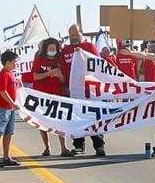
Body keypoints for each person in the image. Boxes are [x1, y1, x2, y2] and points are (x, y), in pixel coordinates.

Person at [61, 25, 105, 157]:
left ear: (81, 33)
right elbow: (63, 70)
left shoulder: (90, 47)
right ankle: (79, 146)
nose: (73, 37)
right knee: (77, 119)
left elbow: (98, 66)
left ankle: (99, 146)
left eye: (76, 34)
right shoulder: (66, 50)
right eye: (71, 34)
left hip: (89, 91)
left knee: (93, 118)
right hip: (74, 92)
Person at [32, 38, 74, 157]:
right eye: (50, 49)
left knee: (60, 121)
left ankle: (64, 148)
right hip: (42, 95)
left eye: (54, 49)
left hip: (57, 95)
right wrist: (49, 73)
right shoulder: (39, 58)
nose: (52, 51)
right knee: (43, 121)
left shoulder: (60, 60)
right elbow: (35, 76)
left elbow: (64, 80)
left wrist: (59, 74)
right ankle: (47, 147)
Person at [0, 50, 21, 168]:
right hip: (1, 108)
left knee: (8, 133)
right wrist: (12, 103)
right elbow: (3, 91)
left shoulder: (11, 73)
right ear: (7, 62)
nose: (15, 64)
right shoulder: (3, 74)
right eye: (14, 62)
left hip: (9, 108)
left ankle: (6, 157)